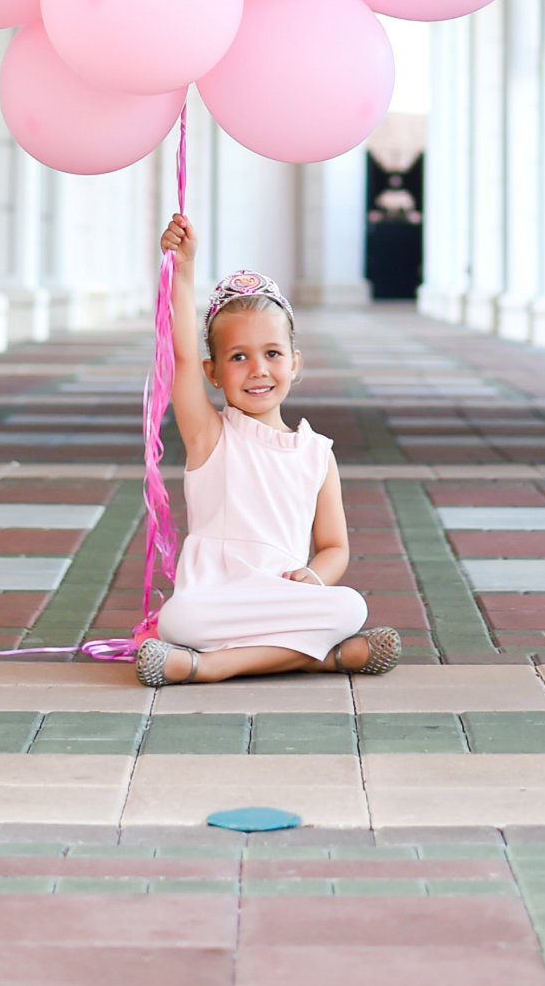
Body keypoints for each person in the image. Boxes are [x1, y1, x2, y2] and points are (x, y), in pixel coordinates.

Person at [133, 215, 401, 688]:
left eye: (273, 354)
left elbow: (335, 547)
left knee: (349, 605)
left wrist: (314, 577)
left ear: (294, 364)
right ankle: (318, 658)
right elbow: (180, 357)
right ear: (214, 372)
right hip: (217, 600)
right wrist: (184, 266)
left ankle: (213, 665)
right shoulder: (210, 436)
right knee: (180, 621)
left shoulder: (317, 454)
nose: (258, 369)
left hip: (282, 596)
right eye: (239, 357)